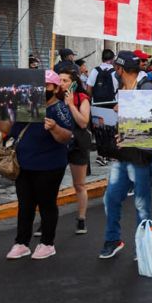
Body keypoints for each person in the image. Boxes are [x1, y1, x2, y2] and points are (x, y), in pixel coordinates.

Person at [4, 70, 74, 260]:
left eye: (46, 86)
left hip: (50, 165)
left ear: (55, 88)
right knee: (25, 205)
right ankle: (21, 243)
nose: (42, 89)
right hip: (24, 164)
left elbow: (66, 137)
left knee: (46, 204)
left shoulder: (59, 109)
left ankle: (47, 243)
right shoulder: (27, 107)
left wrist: (54, 128)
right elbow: (10, 131)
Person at [98, 51, 152, 260]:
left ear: (119, 69)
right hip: (122, 155)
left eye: (116, 69)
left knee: (142, 204)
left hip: (140, 157)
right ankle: (113, 240)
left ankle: (144, 245)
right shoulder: (123, 88)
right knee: (111, 198)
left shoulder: (147, 88)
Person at [57, 65, 91, 235]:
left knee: (79, 184)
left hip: (77, 143)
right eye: (60, 80)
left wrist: (71, 105)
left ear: (73, 83)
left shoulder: (81, 98)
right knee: (50, 185)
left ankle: (81, 218)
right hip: (57, 143)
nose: (62, 84)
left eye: (66, 81)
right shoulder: (53, 98)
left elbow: (83, 122)